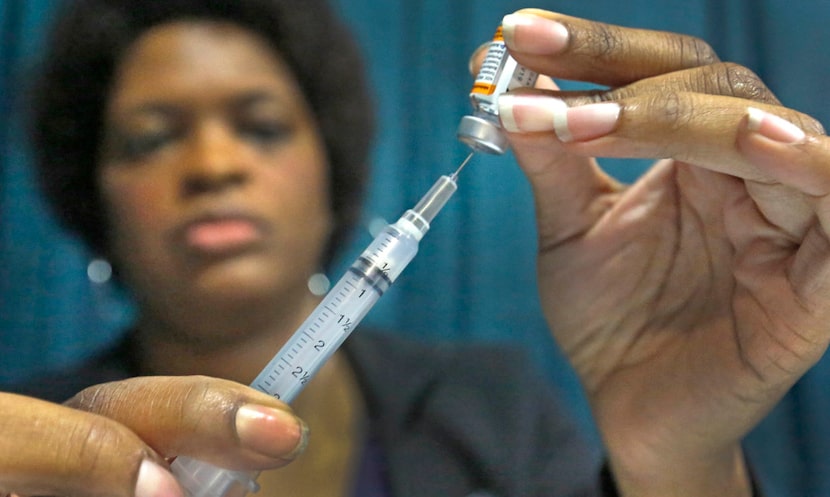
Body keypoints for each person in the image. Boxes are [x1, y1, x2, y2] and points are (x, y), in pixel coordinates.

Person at [2, 2, 828, 497]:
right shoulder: (25, 446)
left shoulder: (492, 411)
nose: (215, 166)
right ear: (89, 186)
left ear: (335, 162)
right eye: (151, 139)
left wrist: (678, 459)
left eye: (261, 127)